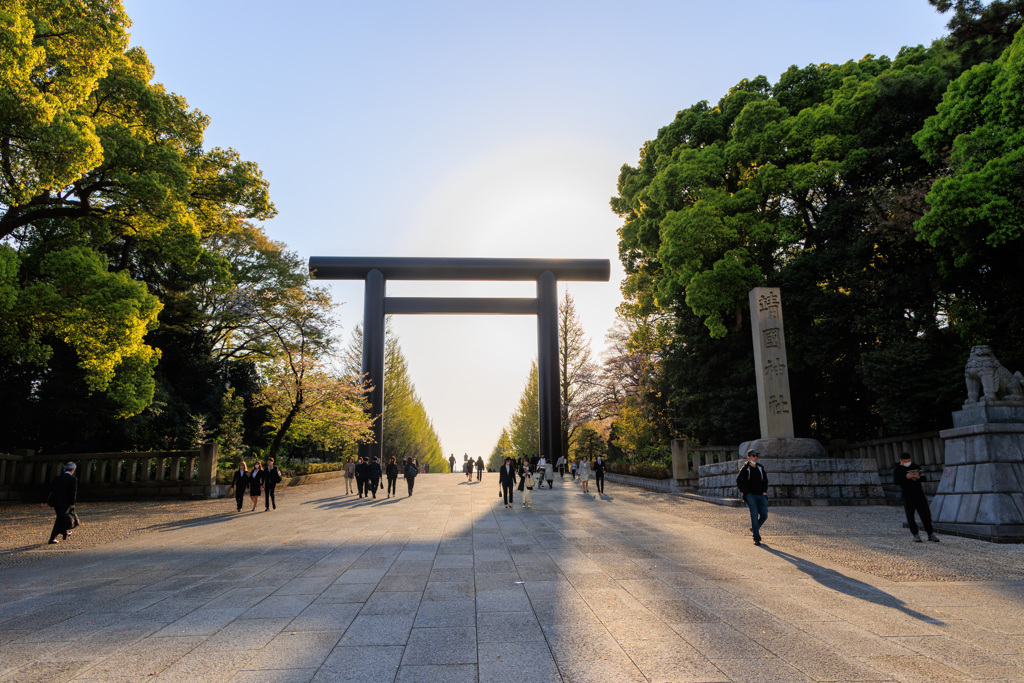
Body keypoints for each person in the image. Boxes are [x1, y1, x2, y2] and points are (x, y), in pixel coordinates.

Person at [894, 452, 939, 542]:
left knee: (926, 514)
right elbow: (896, 481)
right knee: (910, 516)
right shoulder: (898, 469)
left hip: (919, 494)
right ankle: (915, 534)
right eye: (905, 461)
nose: (907, 462)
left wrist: (918, 477)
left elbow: (924, 478)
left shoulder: (916, 466)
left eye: (909, 460)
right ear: (901, 461)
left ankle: (930, 533)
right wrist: (906, 477)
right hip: (907, 495)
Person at [736, 449, 768, 546]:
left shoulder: (760, 468)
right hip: (750, 495)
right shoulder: (745, 469)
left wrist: (764, 491)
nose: (756, 457)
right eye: (753, 455)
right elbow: (739, 481)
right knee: (754, 515)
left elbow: (765, 481)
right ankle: (756, 537)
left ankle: (754, 528)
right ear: (749, 457)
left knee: (764, 515)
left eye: (756, 455)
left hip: (761, 495)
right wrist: (746, 493)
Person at [45, 462, 78, 544]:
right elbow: (73, 492)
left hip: (55, 501)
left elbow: (49, 489)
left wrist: (44, 500)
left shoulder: (57, 478)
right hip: (65, 502)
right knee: (59, 519)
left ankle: (64, 532)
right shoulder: (73, 479)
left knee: (61, 517)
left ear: (64, 469)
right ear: (72, 470)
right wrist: (72, 503)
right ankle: (52, 538)